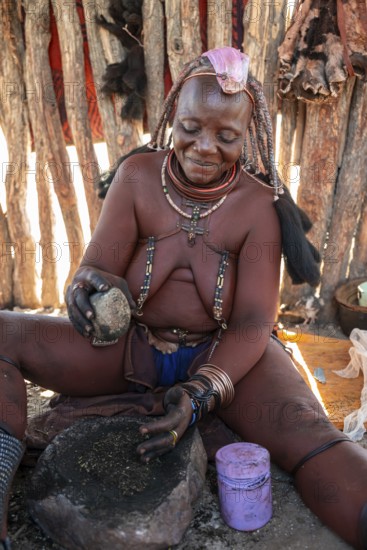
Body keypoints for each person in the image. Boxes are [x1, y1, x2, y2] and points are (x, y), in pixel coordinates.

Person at [0, 46, 366, 549]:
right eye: (191, 127)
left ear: (249, 137)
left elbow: (254, 322)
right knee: (4, 332)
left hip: (226, 358)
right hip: (130, 347)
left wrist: (199, 395)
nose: (204, 147)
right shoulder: (136, 178)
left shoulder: (258, 206)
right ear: (173, 114)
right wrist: (84, 291)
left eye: (227, 136)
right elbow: (96, 267)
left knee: (304, 427)